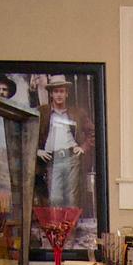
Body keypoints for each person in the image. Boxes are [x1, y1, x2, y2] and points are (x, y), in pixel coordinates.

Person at [36, 74, 91, 212]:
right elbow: (29, 133)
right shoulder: (42, 112)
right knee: (54, 197)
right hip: (52, 159)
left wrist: (83, 147)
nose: (59, 95)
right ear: (51, 94)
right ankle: (56, 231)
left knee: (71, 198)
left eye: (62, 91)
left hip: (71, 157)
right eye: (55, 91)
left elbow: (93, 132)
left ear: (66, 93)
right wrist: (37, 150)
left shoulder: (77, 113)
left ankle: (70, 232)